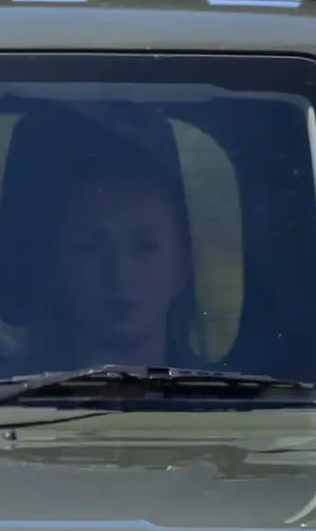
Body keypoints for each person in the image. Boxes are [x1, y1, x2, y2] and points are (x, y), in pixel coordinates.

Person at [41, 149, 199, 369]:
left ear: (182, 268)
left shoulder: (233, 400)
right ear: (57, 268)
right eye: (92, 248)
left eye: (146, 247)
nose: (121, 276)